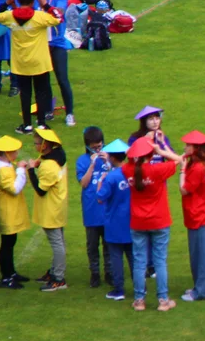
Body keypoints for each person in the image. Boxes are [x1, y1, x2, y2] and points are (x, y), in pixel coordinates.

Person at [122, 136, 177, 312]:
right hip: (159, 221)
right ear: (150, 154)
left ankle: (139, 301)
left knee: (139, 261)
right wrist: (161, 149)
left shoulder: (128, 169)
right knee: (160, 261)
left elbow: (128, 162)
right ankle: (163, 300)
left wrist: (131, 154)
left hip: (138, 222)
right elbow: (179, 159)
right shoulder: (158, 170)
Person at [0, 0, 59, 134]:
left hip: (21, 62)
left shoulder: (10, 16)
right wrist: (46, 5)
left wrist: (7, 3)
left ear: (17, 0)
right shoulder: (40, 17)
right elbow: (58, 18)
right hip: (39, 61)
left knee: (25, 93)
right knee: (41, 92)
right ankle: (42, 123)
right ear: (33, 2)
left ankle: (27, 125)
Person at [28, 129, 69, 292]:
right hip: (58, 206)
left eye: (37, 143)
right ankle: (54, 272)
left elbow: (40, 190)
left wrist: (31, 170)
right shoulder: (57, 157)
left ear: (45, 146)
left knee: (57, 243)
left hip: (51, 209)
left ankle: (58, 278)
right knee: (58, 240)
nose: (35, 145)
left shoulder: (49, 166)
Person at [34, 0, 75, 126]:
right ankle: (48, 110)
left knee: (62, 79)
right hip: (40, 44)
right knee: (43, 80)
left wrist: (45, 6)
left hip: (57, 44)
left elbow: (59, 12)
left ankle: (70, 113)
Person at [178, 131, 205, 301]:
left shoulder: (197, 168)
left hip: (197, 215)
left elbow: (184, 189)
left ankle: (203, 291)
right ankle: (202, 287)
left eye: (188, 145)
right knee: (199, 254)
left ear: (196, 148)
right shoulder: (201, 165)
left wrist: (182, 171)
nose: (185, 147)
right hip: (198, 214)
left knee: (200, 256)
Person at [0, 136, 30, 289]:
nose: (17, 153)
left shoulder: (2, 165)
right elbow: (14, 188)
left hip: (10, 210)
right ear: (7, 153)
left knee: (10, 242)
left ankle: (11, 272)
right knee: (7, 244)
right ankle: (6, 276)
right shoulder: (2, 171)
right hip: (7, 211)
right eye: (14, 151)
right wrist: (21, 170)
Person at [96, 139, 133, 301]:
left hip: (113, 223)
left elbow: (100, 198)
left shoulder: (110, 178)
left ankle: (119, 290)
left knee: (116, 257)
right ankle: (140, 288)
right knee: (133, 256)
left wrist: (100, 182)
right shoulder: (132, 173)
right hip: (132, 222)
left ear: (111, 157)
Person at [76, 127, 110, 289]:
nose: (98, 149)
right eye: (95, 147)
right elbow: (83, 183)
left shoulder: (110, 158)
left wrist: (108, 163)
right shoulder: (82, 161)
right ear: (88, 146)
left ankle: (109, 273)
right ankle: (95, 274)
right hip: (91, 210)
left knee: (109, 244)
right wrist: (91, 165)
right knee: (92, 245)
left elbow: (118, 176)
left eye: (100, 146)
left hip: (108, 210)